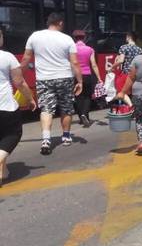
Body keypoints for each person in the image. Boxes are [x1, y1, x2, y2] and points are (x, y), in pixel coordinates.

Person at [20, 13, 83, 155]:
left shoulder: (35, 36)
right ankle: (66, 137)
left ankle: (46, 139)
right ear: (60, 23)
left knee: (46, 109)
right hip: (65, 78)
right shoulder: (67, 39)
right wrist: (79, 81)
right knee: (66, 108)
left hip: (44, 79)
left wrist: (18, 74)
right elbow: (74, 62)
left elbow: (26, 59)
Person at [0, 28, 37, 185]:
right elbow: (19, 82)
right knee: (13, 134)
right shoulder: (7, 56)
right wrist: (30, 99)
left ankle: (3, 172)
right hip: (5, 105)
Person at [72, 30, 103, 127]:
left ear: (74, 38)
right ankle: (85, 115)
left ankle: (82, 117)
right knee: (87, 96)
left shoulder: (72, 49)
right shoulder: (90, 49)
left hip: (75, 75)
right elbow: (93, 65)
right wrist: (99, 78)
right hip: (87, 75)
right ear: (84, 38)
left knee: (78, 96)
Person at [109, 32, 142, 107]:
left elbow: (121, 60)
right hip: (136, 74)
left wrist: (112, 67)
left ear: (129, 37)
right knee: (132, 93)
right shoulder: (139, 49)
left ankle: (131, 106)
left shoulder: (124, 47)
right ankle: (132, 108)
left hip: (126, 73)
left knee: (120, 92)